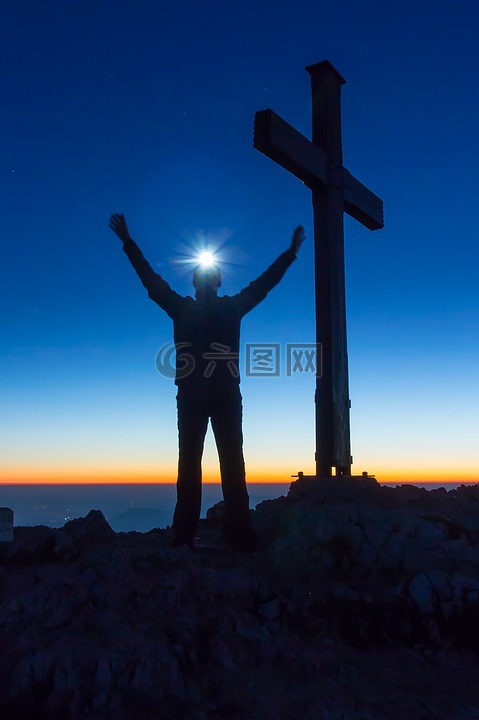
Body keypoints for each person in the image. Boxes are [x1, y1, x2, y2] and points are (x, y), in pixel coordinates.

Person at [109, 213, 305, 551]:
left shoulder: (182, 308)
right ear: (215, 284)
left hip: (194, 397)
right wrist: (289, 253)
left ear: (199, 285)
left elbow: (150, 280)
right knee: (230, 464)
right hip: (224, 396)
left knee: (192, 466)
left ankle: (186, 535)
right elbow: (263, 284)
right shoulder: (230, 308)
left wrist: (128, 242)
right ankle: (238, 534)